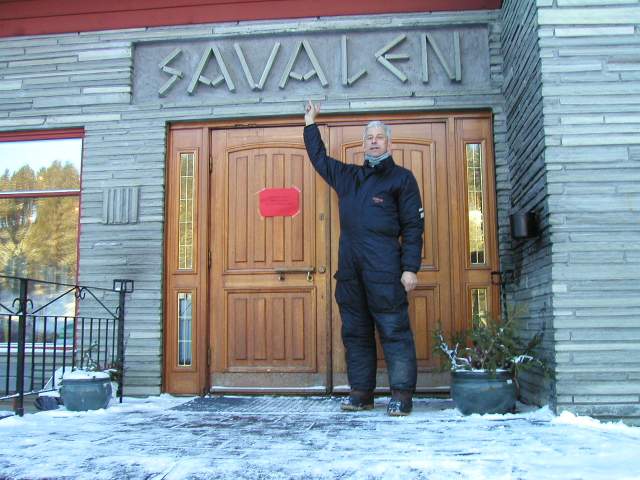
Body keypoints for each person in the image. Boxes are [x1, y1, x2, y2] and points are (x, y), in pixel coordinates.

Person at [303, 100, 424, 416]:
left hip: (385, 271)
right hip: (350, 273)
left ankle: (401, 395)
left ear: (389, 143)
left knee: (394, 332)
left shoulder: (402, 179)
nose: (374, 141)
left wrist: (410, 268)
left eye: (379, 137)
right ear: (363, 144)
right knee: (355, 334)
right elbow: (319, 159)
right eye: (369, 137)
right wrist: (310, 123)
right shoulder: (349, 177)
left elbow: (413, 226)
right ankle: (361, 393)